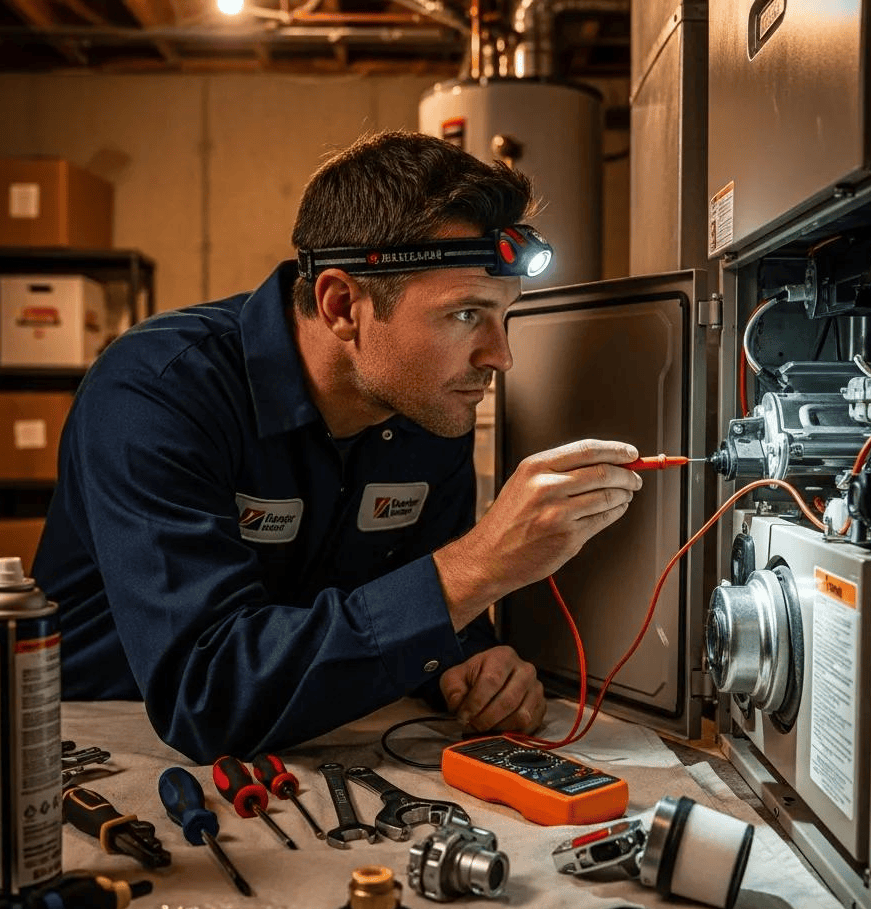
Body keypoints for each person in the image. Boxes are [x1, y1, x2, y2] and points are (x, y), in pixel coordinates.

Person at [32, 130, 642, 763]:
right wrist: (480, 568)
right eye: (465, 314)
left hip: (322, 732)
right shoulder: (159, 392)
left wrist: (475, 664)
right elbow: (207, 692)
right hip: (108, 744)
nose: (500, 356)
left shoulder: (423, 407)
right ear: (342, 304)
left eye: (503, 316)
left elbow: (412, 604)